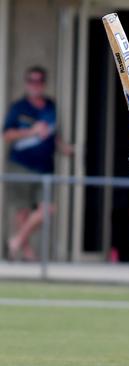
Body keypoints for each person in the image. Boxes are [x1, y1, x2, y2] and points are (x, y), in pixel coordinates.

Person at [3, 66, 73, 261]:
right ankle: (27, 255)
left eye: (39, 80)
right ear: (27, 83)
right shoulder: (19, 107)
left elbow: (53, 136)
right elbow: (7, 135)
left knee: (48, 209)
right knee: (22, 213)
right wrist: (31, 132)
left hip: (45, 167)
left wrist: (65, 148)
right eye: (31, 81)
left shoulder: (51, 106)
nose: (35, 84)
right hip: (20, 165)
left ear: (44, 83)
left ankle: (15, 242)